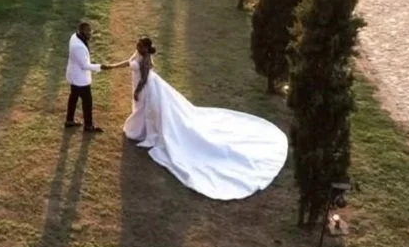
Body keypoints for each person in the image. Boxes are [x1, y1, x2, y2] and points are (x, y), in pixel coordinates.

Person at [110, 36, 288, 200]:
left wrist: (137, 91)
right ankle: (142, 129)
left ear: (145, 48)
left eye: (139, 45)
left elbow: (143, 79)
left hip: (147, 87)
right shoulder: (139, 54)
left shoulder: (145, 60)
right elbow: (129, 62)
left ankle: (142, 130)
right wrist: (111, 67)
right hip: (147, 85)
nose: (137, 47)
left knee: (148, 109)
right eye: (137, 45)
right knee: (146, 110)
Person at [64, 20, 108, 133]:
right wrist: (100, 67)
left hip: (74, 75)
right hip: (80, 79)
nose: (90, 33)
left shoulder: (74, 36)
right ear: (82, 31)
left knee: (73, 97)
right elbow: (84, 65)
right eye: (88, 31)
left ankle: (69, 120)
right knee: (87, 102)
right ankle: (88, 126)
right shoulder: (78, 46)